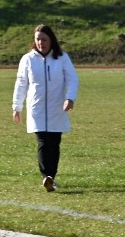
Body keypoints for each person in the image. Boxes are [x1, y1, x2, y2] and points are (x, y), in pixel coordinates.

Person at [12, 24, 79, 192]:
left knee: (54, 143)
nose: (41, 43)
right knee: (42, 141)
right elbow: (21, 84)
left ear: (51, 40)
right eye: (38, 39)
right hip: (37, 108)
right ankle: (46, 177)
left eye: (44, 39)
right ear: (34, 41)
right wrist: (17, 106)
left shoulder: (62, 57)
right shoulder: (28, 59)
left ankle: (51, 177)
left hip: (58, 107)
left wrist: (69, 98)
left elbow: (72, 79)